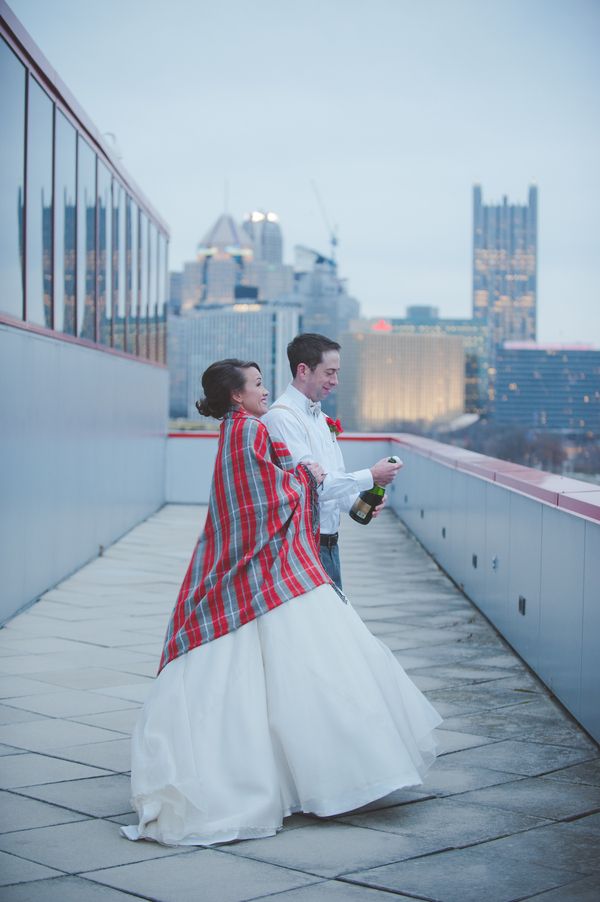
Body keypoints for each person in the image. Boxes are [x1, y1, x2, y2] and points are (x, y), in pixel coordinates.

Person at [122, 358, 441, 847]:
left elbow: (251, 496)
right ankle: (325, 776)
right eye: (256, 384)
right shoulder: (249, 431)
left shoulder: (237, 431)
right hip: (272, 568)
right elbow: (264, 498)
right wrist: (307, 477)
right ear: (236, 395)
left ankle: (278, 776)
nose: (264, 390)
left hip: (255, 565)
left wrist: (303, 474)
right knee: (315, 669)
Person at [262, 333, 402, 588]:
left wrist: (359, 503)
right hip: (303, 546)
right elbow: (311, 487)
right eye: (329, 372)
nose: (335, 381)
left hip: (328, 545)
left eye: (337, 373)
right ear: (303, 370)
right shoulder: (282, 418)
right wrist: (372, 475)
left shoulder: (321, 418)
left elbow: (332, 480)